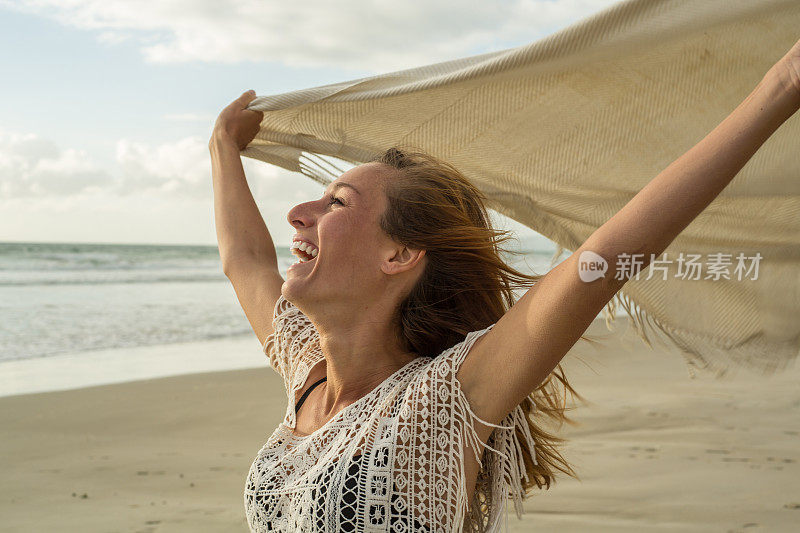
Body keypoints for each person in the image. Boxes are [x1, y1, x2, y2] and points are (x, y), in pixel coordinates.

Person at [209, 39, 800, 532]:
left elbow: (606, 257)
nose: (298, 213)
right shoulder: (308, 375)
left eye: (336, 202)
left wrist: (783, 84)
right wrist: (222, 147)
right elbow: (246, 261)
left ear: (401, 254)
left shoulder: (443, 400)